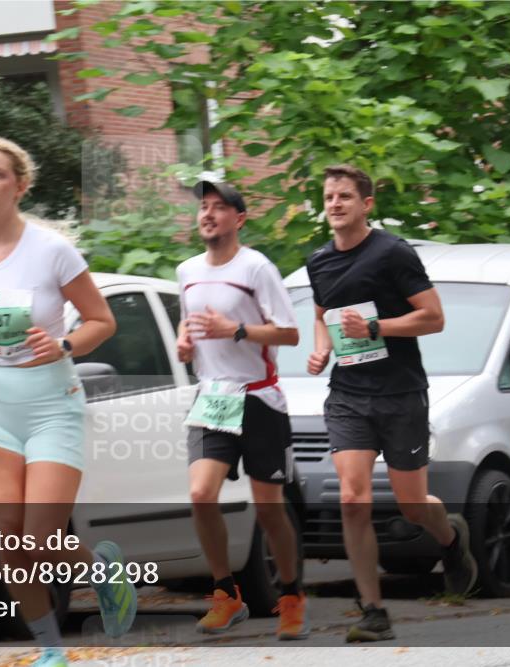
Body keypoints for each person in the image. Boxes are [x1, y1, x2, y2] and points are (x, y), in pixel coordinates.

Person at [0, 137, 136, 667]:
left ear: (20, 184)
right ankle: (51, 649)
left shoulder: (52, 250)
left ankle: (105, 574)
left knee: (39, 538)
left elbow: (102, 322)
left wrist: (63, 343)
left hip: (52, 404)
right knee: (8, 539)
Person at [305, 164, 477, 643]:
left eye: (344, 196)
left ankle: (451, 539)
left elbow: (433, 317)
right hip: (349, 395)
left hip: (401, 393)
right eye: (329, 197)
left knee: (412, 504)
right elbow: (322, 315)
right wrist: (321, 347)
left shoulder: (392, 253)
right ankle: (373, 611)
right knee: (353, 498)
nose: (335, 204)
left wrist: (379, 327)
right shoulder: (318, 262)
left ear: (366, 204)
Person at [176, 181, 309, 640]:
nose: (208, 214)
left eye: (218, 208)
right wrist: (183, 338)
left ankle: (290, 596)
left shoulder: (257, 268)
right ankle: (225, 594)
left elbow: (289, 333)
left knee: (269, 509)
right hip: (213, 396)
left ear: (240, 218)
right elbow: (189, 316)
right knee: (200, 494)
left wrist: (235, 331)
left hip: (259, 397)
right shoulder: (186, 270)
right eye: (203, 207)